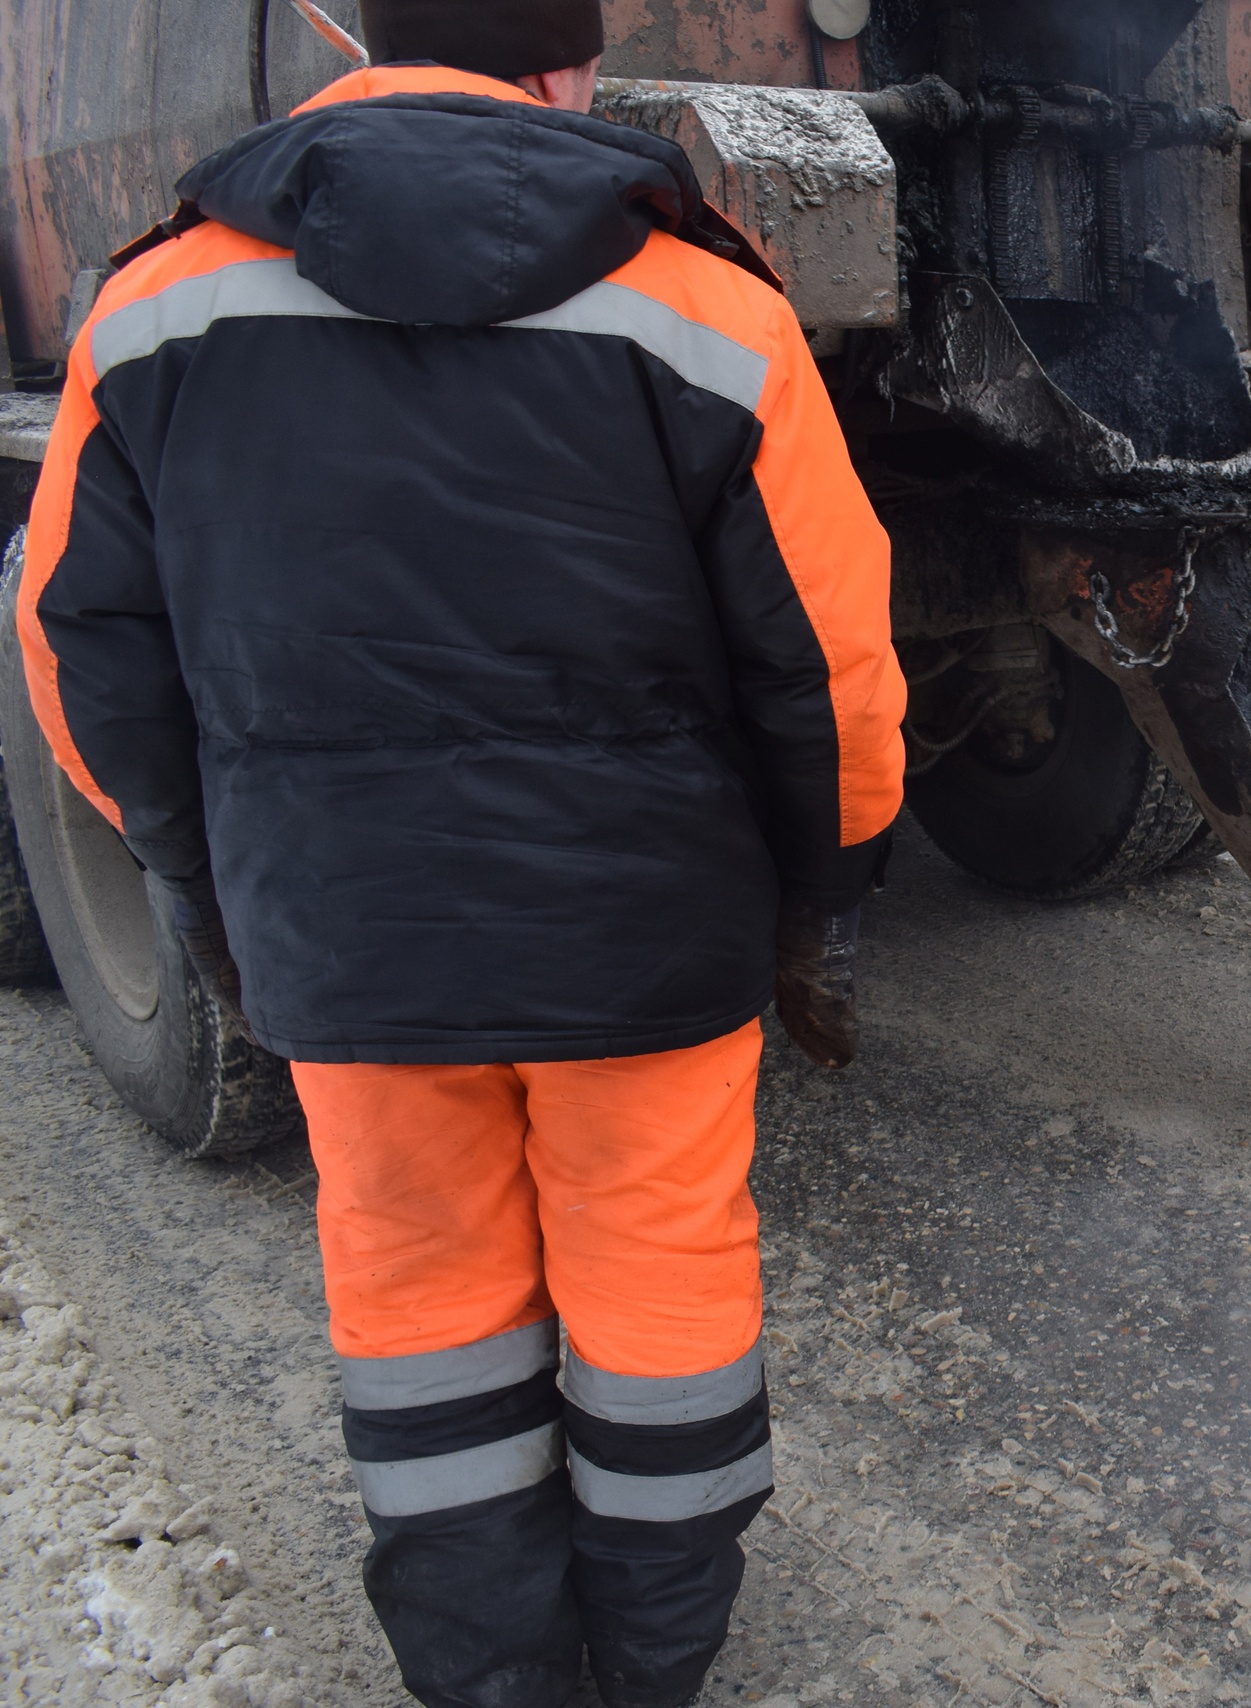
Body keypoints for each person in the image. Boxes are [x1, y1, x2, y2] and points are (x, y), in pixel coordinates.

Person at [16, 0, 906, 1701]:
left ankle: (493, 1676)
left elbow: (82, 654)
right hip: (648, 935)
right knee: (656, 1281)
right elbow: (834, 663)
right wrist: (828, 888)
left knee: (422, 1289)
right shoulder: (708, 307)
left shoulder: (155, 306)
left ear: (365, 54)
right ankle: (654, 1661)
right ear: (568, 73)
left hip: (342, 930)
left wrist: (204, 870)